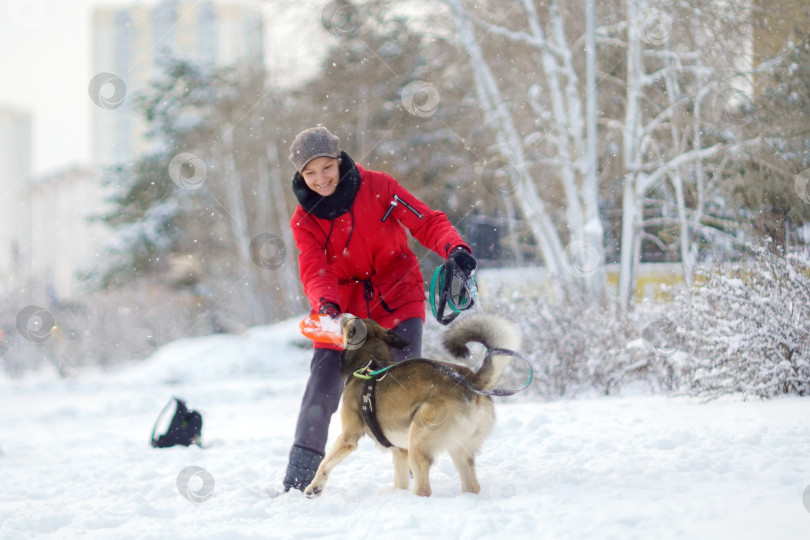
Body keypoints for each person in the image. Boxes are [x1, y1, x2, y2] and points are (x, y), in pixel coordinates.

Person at [282, 126, 478, 492]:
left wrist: (455, 249)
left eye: (326, 167)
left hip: (397, 294)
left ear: (338, 160)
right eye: (310, 173)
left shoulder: (379, 187)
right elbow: (314, 268)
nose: (320, 179)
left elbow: (426, 221)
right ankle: (300, 475)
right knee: (323, 377)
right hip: (342, 314)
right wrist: (326, 306)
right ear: (300, 176)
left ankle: (406, 473)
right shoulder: (303, 219)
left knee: (404, 378)